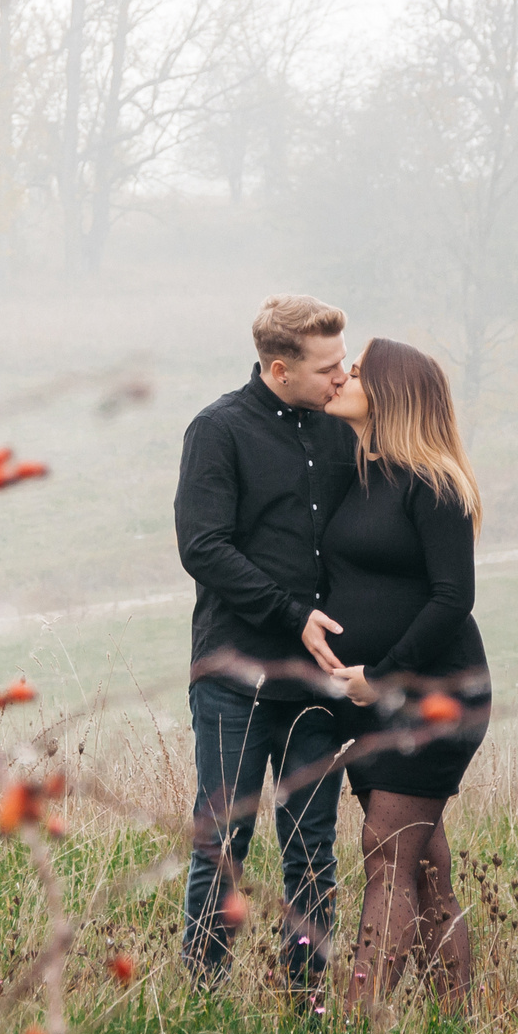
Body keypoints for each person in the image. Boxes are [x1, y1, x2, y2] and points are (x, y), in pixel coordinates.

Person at [173, 294, 358, 997]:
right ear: (280, 370)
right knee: (223, 846)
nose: (343, 376)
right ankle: (204, 998)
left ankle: (306, 1000)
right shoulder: (217, 431)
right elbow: (203, 546)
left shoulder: (344, 429)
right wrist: (292, 615)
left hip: (318, 685)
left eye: (344, 361)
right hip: (234, 682)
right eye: (328, 367)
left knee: (312, 852)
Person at [302, 337, 490, 1009]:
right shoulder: (360, 473)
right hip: (370, 700)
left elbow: (452, 599)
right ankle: (457, 1024)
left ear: (390, 392)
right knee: (424, 867)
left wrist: (383, 674)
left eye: (354, 372)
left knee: (385, 854)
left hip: (432, 696)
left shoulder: (434, 483)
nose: (340, 379)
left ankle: (359, 1029)